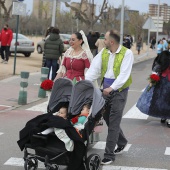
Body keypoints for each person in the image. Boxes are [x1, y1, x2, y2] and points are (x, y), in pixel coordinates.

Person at [85, 29, 134, 165]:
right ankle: (122, 141)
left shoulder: (127, 53)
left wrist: (112, 88)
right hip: (105, 90)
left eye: (105, 39)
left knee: (113, 122)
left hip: (119, 91)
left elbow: (124, 75)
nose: (103, 41)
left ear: (111, 41)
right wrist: (85, 83)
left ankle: (109, 155)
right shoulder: (104, 52)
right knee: (105, 118)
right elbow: (94, 69)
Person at [136, 51, 170, 128]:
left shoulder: (161, 60)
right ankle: (167, 118)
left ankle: (163, 117)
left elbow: (155, 72)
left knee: (160, 101)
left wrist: (152, 82)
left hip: (160, 84)